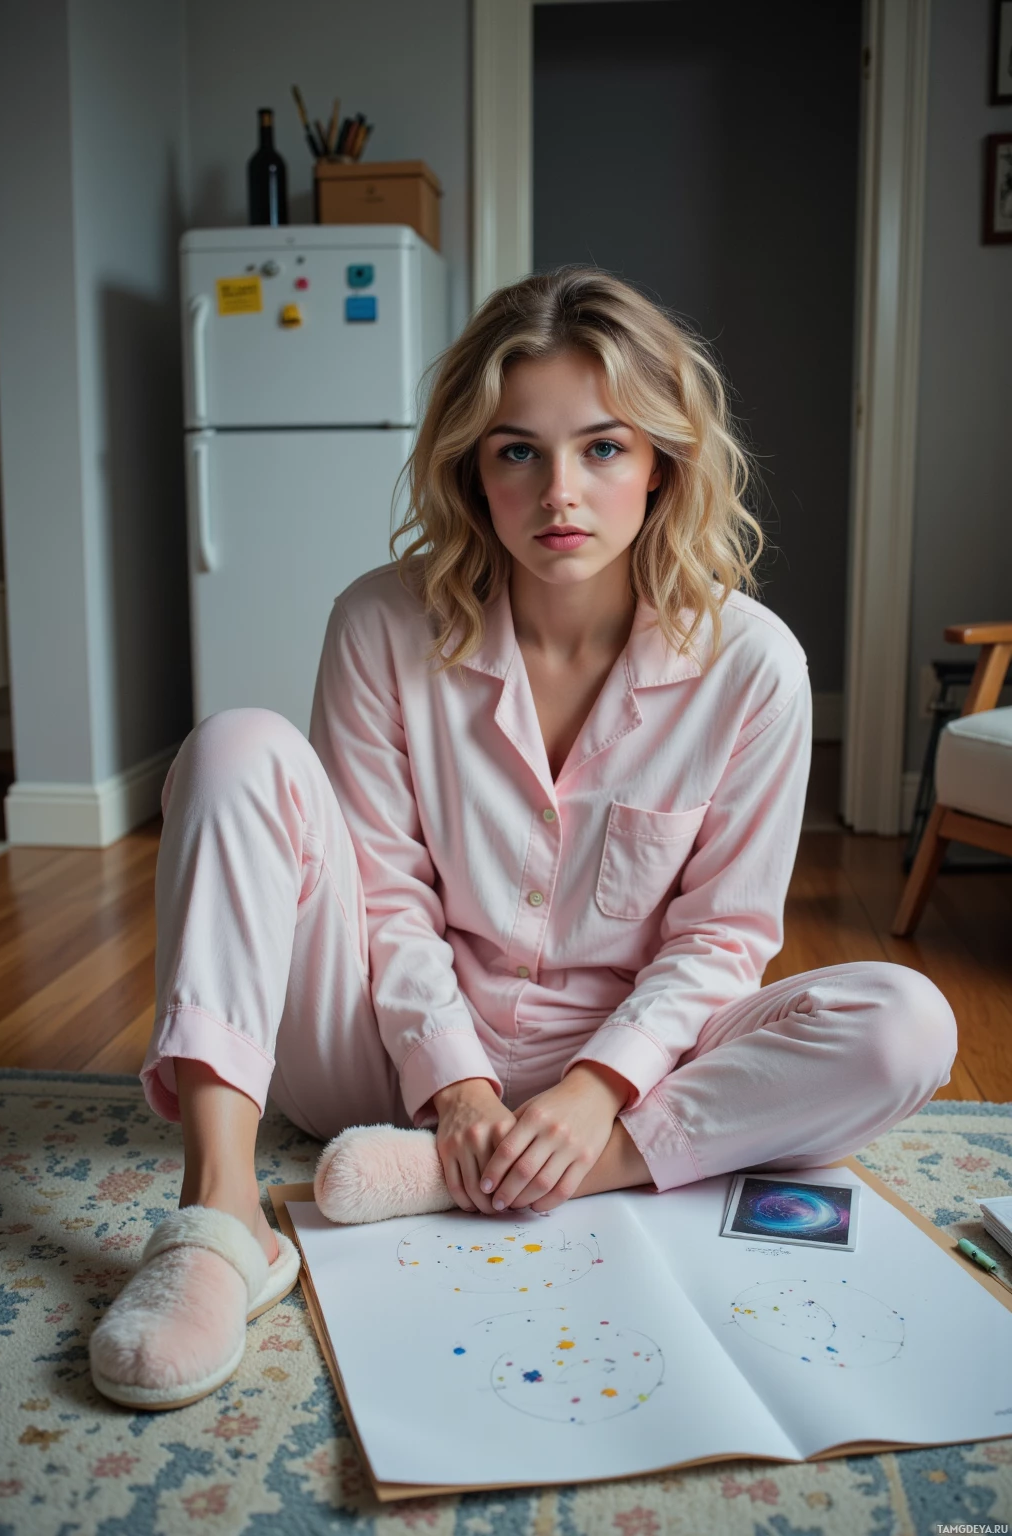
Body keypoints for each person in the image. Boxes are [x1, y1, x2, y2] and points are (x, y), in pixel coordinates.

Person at [89, 267, 957, 1411]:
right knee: (236, 745)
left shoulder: (755, 667)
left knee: (906, 1027)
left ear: (662, 461)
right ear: (471, 468)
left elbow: (720, 940)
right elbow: (386, 897)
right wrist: (454, 1087)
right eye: (517, 452)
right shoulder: (379, 624)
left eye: (603, 448)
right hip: (381, 1059)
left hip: (628, 1077)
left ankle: (541, 1176)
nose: (562, 492)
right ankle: (222, 1218)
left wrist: (597, 1093)